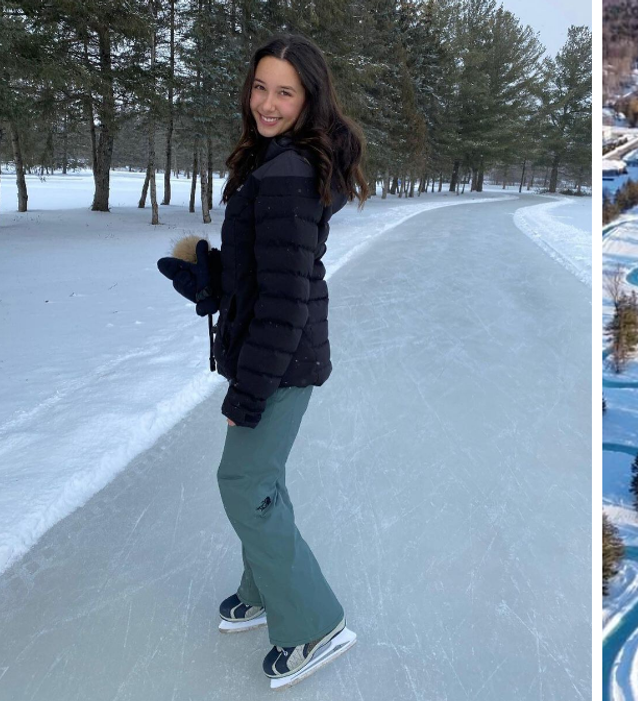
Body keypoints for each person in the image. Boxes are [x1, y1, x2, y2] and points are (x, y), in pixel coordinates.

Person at [212, 33, 369, 685]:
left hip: (278, 359)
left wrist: (246, 394)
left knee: (244, 481)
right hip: (276, 349)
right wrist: (210, 277)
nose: (266, 104)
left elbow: (285, 302)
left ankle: (313, 621)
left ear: (309, 100)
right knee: (261, 476)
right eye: (259, 87)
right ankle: (265, 586)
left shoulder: (287, 174)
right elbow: (272, 269)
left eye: (284, 92)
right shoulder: (275, 160)